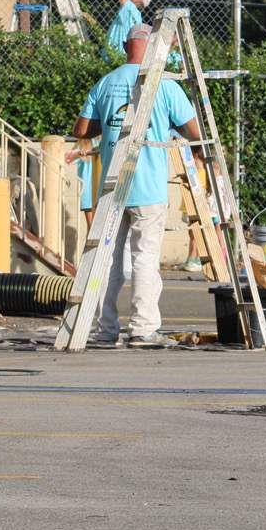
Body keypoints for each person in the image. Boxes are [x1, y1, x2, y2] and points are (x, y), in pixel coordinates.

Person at [73, 24, 200, 345]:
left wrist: (110, 123)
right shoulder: (165, 85)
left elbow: (82, 129)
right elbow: (194, 132)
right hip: (148, 188)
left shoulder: (106, 82)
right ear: (154, 46)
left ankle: (105, 328)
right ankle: (142, 328)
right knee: (144, 258)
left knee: (107, 260)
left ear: (125, 46)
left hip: (112, 188)